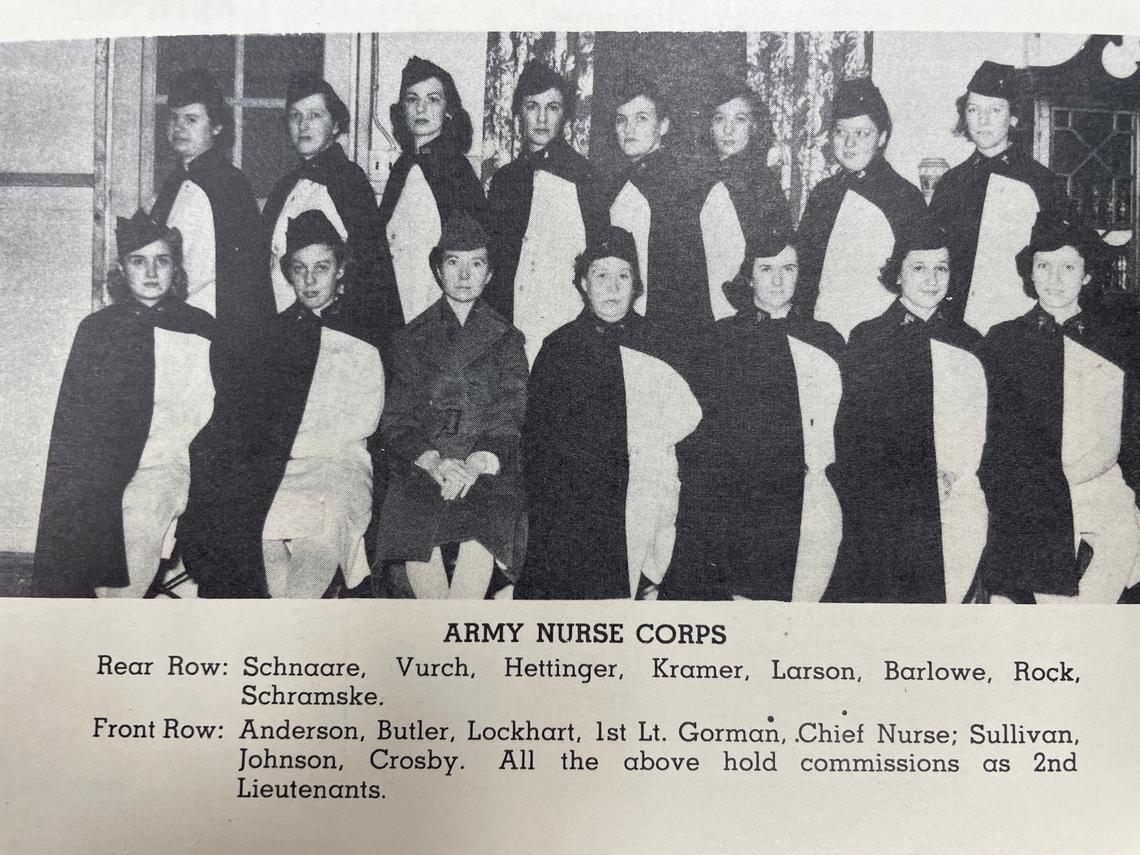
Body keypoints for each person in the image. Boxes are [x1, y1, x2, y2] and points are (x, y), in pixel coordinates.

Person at [180, 211, 384, 598]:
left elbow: (361, 422)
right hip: (280, 466)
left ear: (341, 269)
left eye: (322, 267)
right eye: (300, 268)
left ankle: (286, 626)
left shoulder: (366, 333)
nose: (309, 280)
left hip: (338, 466)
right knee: (253, 531)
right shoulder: (272, 336)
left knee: (321, 536)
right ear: (288, 272)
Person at [33, 210, 215, 598]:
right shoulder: (98, 330)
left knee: (139, 528)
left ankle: (117, 627)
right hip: (107, 469)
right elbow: (75, 425)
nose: (151, 272)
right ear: (121, 268)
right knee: (81, 534)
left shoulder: (201, 328)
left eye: (162, 260)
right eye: (138, 260)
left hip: (167, 465)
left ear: (175, 267)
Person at [514, 226, 702, 600]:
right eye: (601, 276)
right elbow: (538, 446)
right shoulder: (560, 348)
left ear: (636, 284)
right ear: (584, 282)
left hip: (649, 492)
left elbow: (686, 434)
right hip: (577, 504)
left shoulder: (661, 344)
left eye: (623, 276)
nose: (613, 288)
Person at [662, 225, 843, 601]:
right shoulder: (717, 339)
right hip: (729, 502)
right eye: (766, 269)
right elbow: (695, 433)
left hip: (797, 503)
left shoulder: (824, 339)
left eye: (788, 269)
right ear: (749, 277)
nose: (778, 280)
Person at [977, 211, 1139, 604]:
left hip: (1103, 483)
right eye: (1042, 265)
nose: (1054, 278)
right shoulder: (1004, 341)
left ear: (1086, 275)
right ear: (1030, 274)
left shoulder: (1117, 339)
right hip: (1035, 487)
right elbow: (994, 435)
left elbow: (1132, 426)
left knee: (1124, 546)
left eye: (1068, 266)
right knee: (1046, 591)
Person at [823, 217, 988, 603]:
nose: (931, 279)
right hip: (885, 503)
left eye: (941, 268)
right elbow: (852, 432)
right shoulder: (869, 338)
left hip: (951, 499)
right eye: (918, 268)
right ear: (897, 275)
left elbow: (980, 428)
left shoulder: (969, 341)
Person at [374, 212, 528, 599]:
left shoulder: (507, 340)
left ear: (490, 274)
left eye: (475, 264)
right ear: (438, 271)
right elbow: (396, 421)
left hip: (485, 467)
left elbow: (510, 413)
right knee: (418, 538)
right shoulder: (409, 340)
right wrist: (435, 461)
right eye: (453, 263)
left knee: (483, 536)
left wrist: (475, 463)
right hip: (424, 468)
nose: (464, 275)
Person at [930, 61, 1066, 334]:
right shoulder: (951, 182)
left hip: (1019, 325)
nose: (982, 121)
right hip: (957, 324)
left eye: (995, 109)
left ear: (1013, 117)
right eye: (973, 109)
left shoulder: (1040, 181)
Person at [263, 72, 396, 351]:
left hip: (334, 337)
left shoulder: (349, 183)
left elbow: (370, 274)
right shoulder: (286, 186)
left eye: (314, 115)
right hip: (282, 331)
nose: (303, 125)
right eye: (295, 117)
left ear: (335, 125)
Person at [485, 60, 606, 364]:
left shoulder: (584, 177)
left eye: (552, 107)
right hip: (510, 329)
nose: (541, 118)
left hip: (565, 326)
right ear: (518, 112)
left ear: (564, 114)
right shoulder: (504, 181)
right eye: (531, 106)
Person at [796, 77, 929, 340]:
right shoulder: (823, 194)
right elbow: (805, 272)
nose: (849, 144)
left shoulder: (905, 196)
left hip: (883, 339)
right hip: (824, 331)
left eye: (861, 134)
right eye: (841, 133)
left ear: (882, 137)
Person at [150, 67, 271, 334]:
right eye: (174, 119)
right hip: (175, 315)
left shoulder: (228, 184)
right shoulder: (175, 181)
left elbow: (214, 272)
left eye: (191, 119)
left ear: (216, 127)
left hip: (209, 325)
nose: (178, 128)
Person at [379, 56, 485, 326]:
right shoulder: (402, 167)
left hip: (436, 309)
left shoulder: (457, 170)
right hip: (397, 302)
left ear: (448, 110)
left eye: (433, 99)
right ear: (402, 109)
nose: (421, 108)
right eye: (412, 99)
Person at [605, 73, 710, 345]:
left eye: (641, 118)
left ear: (662, 126)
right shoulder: (616, 184)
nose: (629, 129)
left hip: (665, 330)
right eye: (621, 119)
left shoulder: (679, 184)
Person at [696, 75, 792, 321]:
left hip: (741, 317)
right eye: (720, 119)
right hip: (698, 315)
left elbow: (773, 258)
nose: (728, 130)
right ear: (709, 126)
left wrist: (739, 302)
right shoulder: (700, 182)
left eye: (740, 119)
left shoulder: (764, 185)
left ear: (754, 127)